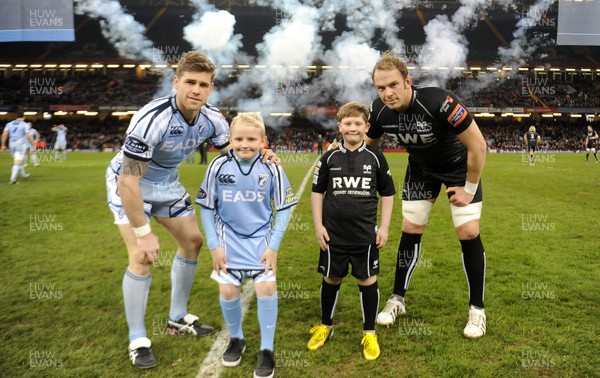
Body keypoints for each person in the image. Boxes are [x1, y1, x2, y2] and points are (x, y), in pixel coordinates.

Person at [105, 51, 278, 369]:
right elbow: (127, 181)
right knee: (142, 256)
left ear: (211, 88)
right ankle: (138, 338)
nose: (196, 90)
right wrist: (144, 234)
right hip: (130, 185)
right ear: (176, 82)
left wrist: (264, 158)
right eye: (190, 82)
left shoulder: (213, 119)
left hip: (167, 184)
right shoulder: (152, 117)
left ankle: (176, 318)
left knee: (193, 242)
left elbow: (236, 154)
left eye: (204, 84)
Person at [366, 52, 488, 339]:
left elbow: (478, 145)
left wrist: (469, 189)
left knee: (469, 231)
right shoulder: (379, 111)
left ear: (407, 81)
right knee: (410, 228)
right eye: (381, 88)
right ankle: (397, 299)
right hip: (421, 171)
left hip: (458, 168)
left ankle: (477, 310)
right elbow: (367, 149)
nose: (387, 93)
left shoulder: (439, 101)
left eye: (393, 85)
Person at [196, 112, 296, 378]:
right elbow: (206, 208)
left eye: (252, 139)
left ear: (263, 140)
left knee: (266, 286)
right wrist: (214, 247)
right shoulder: (217, 166)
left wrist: (273, 247)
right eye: (238, 138)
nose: (244, 144)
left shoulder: (272, 167)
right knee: (228, 290)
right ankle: (237, 338)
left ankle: (267, 349)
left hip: (261, 240)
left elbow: (284, 209)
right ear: (229, 139)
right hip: (227, 240)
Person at [308, 102, 395, 361]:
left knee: (367, 280)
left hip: (364, 235)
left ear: (367, 127)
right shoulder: (329, 158)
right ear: (340, 127)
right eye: (348, 123)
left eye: (358, 123)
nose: (353, 128)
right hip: (333, 235)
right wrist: (318, 226)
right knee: (331, 279)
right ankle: (326, 326)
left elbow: (388, 194)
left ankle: (369, 332)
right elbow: (316, 193)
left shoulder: (376, 157)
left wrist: (385, 227)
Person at [1, 113, 35, 184]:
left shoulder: (9, 124)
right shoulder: (24, 124)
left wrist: (3, 145)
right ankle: (13, 179)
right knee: (17, 163)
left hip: (11, 144)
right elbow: (28, 136)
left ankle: (24, 175)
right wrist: (33, 145)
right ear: (23, 117)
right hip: (20, 145)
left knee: (18, 162)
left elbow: (4, 135)